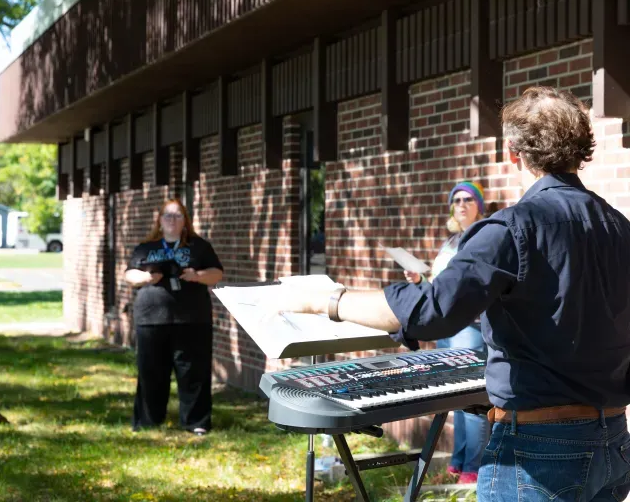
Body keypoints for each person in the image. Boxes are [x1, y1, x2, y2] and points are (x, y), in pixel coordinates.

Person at [268, 86, 630, 500]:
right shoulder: (619, 228)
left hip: (539, 451)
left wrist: (325, 301)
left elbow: (431, 312)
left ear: (514, 153)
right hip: (613, 441)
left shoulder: (511, 229)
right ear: (580, 150)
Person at [403, 180, 489, 484]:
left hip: (469, 327)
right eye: (457, 200)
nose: (462, 204)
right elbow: (440, 290)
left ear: (479, 206)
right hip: (448, 329)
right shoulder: (450, 243)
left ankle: (475, 470)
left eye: (468, 199)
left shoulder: (482, 237)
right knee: (455, 398)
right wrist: (419, 281)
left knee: (471, 401)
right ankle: (458, 462)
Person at [125, 198, 224, 436]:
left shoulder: (199, 246)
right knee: (151, 372)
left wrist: (197, 275)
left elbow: (216, 274)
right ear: (159, 221)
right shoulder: (146, 248)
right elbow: (129, 274)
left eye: (177, 215)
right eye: (167, 215)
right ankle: (148, 420)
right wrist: (147, 278)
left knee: (193, 371)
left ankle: (196, 422)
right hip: (151, 318)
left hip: (192, 318)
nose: (172, 220)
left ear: (185, 221)